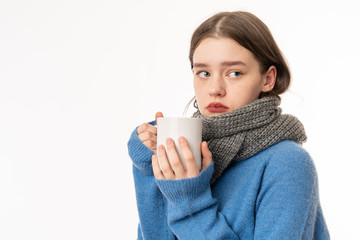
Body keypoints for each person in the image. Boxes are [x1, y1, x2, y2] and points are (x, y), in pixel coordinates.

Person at [127, 11, 330, 239]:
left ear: (268, 79)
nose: (215, 88)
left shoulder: (287, 163)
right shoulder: (187, 156)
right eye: (203, 73)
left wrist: (190, 202)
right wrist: (149, 166)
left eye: (234, 73)